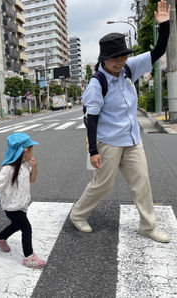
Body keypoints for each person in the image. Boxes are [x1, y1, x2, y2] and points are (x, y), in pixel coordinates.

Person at [70, 0, 171, 243]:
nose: (120, 61)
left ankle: (148, 226)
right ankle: (78, 214)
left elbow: (157, 52)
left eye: (123, 55)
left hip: (132, 138)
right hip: (108, 142)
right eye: (115, 58)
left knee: (142, 182)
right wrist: (93, 149)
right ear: (104, 59)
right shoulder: (98, 83)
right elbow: (90, 119)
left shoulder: (128, 69)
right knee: (103, 184)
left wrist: (164, 26)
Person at [0, 132, 46, 269]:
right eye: (31, 149)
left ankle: (0, 238)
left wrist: (34, 167)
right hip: (13, 208)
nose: (32, 152)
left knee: (16, 225)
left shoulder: (25, 165)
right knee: (26, 228)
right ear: (24, 151)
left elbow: (32, 179)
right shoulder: (8, 169)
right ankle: (29, 257)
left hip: (22, 205)